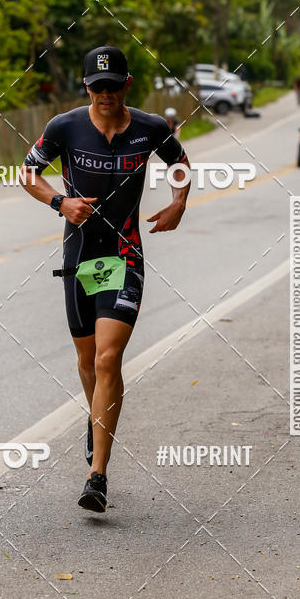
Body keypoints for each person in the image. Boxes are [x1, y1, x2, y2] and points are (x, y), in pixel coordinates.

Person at [21, 45, 191, 510]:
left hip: (124, 254)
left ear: (127, 84)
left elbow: (180, 164)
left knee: (107, 357)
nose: (106, 94)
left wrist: (178, 202)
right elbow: (29, 172)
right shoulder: (65, 127)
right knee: (87, 359)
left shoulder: (151, 128)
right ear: (86, 87)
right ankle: (96, 417)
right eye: (97, 87)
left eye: (113, 86)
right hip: (79, 254)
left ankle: (97, 475)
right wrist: (60, 202)